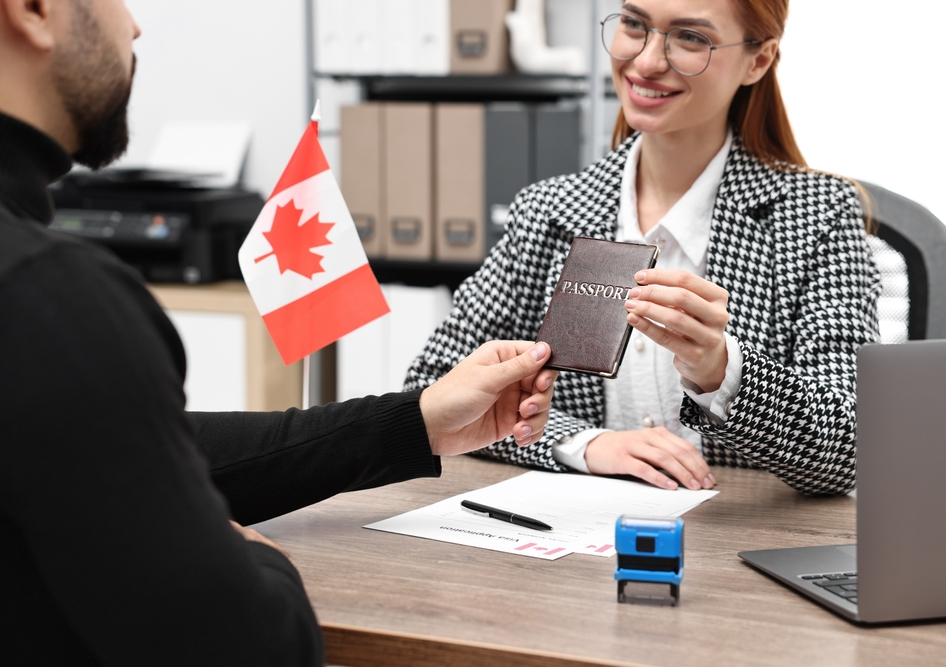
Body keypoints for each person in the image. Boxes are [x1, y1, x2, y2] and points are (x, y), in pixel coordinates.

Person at [0, 1, 557, 665]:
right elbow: (256, 645)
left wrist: (415, 422)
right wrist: (247, 559)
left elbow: (134, 447)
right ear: (32, 10)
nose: (136, 25)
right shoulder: (49, 298)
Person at [406, 0, 880, 497]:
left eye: (691, 37)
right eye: (634, 25)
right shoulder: (549, 210)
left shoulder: (817, 215)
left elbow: (851, 450)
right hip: (573, 546)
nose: (648, 61)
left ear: (758, 59)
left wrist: (722, 371)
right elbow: (431, 390)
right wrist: (585, 444)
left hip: (738, 548)